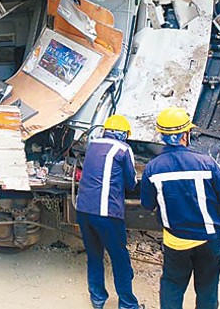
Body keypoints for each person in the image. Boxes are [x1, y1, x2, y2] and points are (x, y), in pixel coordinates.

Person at [140, 107, 220, 309]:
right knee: (207, 289)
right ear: (185, 135)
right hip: (209, 240)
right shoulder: (206, 163)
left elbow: (147, 204)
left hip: (175, 241)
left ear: (162, 136)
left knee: (172, 285)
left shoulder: (153, 168)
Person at [76, 114, 142, 309]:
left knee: (94, 255)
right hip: (107, 213)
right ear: (123, 135)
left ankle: (97, 299)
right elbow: (131, 182)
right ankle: (128, 304)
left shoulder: (92, 145)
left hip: (83, 210)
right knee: (119, 258)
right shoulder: (123, 149)